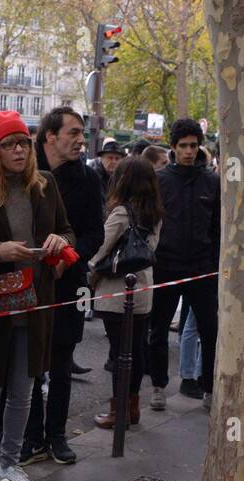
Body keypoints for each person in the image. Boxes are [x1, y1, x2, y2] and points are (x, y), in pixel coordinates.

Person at [0, 110, 73, 481]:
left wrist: (60, 241)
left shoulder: (46, 185)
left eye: (24, 142)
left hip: (35, 302)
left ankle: (9, 464)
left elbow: (67, 229)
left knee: (25, 391)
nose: (19, 150)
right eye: (10, 144)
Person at [21, 106, 103, 463]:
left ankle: (56, 435)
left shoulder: (88, 178)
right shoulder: (20, 169)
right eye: (73, 133)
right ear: (50, 136)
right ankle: (30, 435)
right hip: (24, 283)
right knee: (28, 364)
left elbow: (94, 234)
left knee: (60, 360)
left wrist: (68, 256)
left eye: (82, 134)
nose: (81, 141)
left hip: (67, 284)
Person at [147, 119, 222, 396]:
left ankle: (209, 386)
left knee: (210, 329)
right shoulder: (160, 180)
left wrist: (213, 264)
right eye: (183, 146)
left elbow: (217, 228)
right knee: (158, 331)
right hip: (166, 265)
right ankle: (158, 386)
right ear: (173, 147)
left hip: (202, 268)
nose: (189, 151)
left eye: (193, 145)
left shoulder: (213, 182)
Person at [90, 155, 162, 427]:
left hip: (116, 293)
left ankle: (118, 412)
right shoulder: (155, 214)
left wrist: (90, 274)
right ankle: (132, 408)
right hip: (143, 290)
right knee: (136, 351)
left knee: (119, 354)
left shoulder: (121, 213)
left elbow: (100, 249)